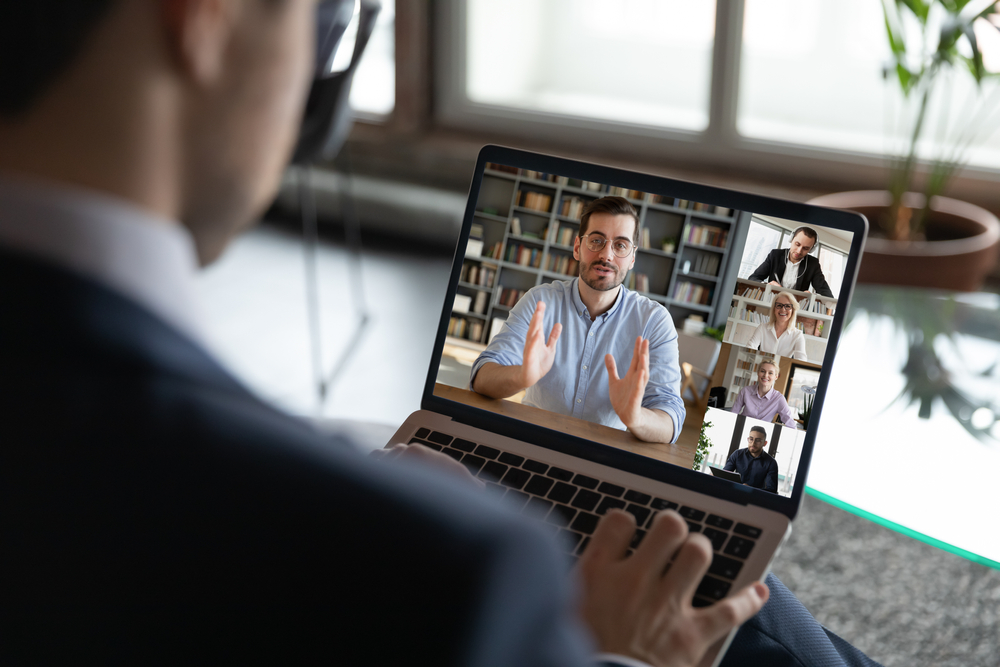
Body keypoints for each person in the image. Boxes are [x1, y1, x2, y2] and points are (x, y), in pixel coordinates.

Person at [1, 3, 882, 665]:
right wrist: (612, 650)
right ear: (210, 17)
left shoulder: (648, 321)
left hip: (585, 480)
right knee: (764, 623)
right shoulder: (460, 570)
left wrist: (627, 411)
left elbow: (656, 426)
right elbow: (490, 386)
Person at [471, 196, 684, 444]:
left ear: (632, 257)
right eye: (596, 241)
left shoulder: (654, 321)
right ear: (577, 247)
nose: (607, 255)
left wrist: (636, 417)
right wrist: (521, 377)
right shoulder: (540, 301)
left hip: (603, 457)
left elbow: (671, 420)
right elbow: (481, 377)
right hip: (531, 443)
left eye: (621, 245)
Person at [749, 227, 835, 298]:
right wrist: (767, 285)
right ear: (791, 239)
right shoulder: (775, 255)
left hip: (795, 307)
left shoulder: (813, 264)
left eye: (805, 248)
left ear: (811, 249)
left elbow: (827, 294)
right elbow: (753, 278)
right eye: (797, 244)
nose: (799, 251)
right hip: (770, 299)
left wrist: (812, 296)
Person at [731, 361, 798, 428]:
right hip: (741, 427)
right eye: (762, 371)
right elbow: (732, 414)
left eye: (770, 373)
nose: (765, 375)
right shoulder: (745, 391)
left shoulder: (779, 398)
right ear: (758, 372)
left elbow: (791, 425)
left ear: (776, 376)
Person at [746, 290, 808, 361]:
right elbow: (750, 347)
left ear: (792, 311)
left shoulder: (798, 335)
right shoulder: (762, 328)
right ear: (774, 309)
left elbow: (801, 360)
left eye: (787, 306)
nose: (783, 309)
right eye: (779, 305)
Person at [724, 426, 779, 493]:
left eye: (758, 440)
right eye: (751, 439)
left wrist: (751, 489)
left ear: (765, 443)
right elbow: (724, 475)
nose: (753, 443)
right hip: (733, 492)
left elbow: (771, 490)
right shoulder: (737, 454)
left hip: (755, 498)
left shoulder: (771, 463)